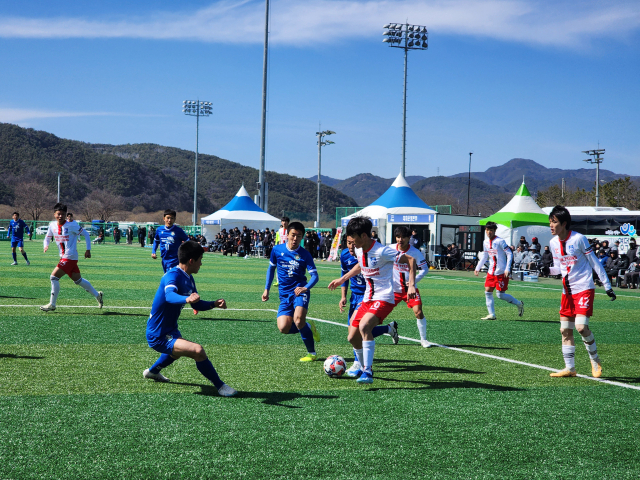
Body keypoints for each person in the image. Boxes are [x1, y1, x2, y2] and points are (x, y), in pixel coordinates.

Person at [328, 217, 417, 385]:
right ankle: (361, 366)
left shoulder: (382, 251)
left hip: (384, 297)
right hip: (367, 298)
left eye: (353, 237)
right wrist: (342, 279)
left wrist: (411, 285)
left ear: (363, 235)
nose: (351, 242)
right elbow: (361, 266)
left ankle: (368, 371)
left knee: (365, 326)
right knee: (352, 337)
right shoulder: (360, 250)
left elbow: (410, 260)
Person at [143, 241, 237, 397]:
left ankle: (152, 372)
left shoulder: (189, 278)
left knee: (176, 352)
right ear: (191, 261)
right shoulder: (172, 275)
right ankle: (221, 387)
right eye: (200, 259)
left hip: (170, 330)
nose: (201, 263)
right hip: (157, 334)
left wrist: (214, 304)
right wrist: (186, 299)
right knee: (198, 351)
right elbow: (170, 295)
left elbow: (197, 304)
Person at [548, 205, 616, 378]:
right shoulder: (553, 242)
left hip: (584, 288)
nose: (551, 225)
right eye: (550, 222)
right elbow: (558, 268)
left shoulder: (579, 239)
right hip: (567, 292)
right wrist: (547, 270)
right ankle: (570, 368)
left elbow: (594, 262)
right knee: (565, 330)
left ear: (564, 224)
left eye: (554, 222)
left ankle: (595, 361)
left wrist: (607, 285)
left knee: (580, 327)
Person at [339, 234, 399, 376]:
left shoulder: (375, 251)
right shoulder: (346, 255)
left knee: (362, 327)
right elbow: (345, 272)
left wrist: (409, 283)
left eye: (353, 242)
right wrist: (343, 295)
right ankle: (387, 329)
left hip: (370, 296)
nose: (351, 246)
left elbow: (406, 259)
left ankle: (361, 365)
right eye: (349, 243)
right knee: (353, 334)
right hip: (356, 296)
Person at [262, 221, 321, 362]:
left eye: (299, 236)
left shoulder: (305, 254)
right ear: (287, 234)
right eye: (293, 235)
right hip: (284, 295)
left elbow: (315, 276)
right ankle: (308, 327)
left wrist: (306, 288)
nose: (295, 239)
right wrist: (266, 289)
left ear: (302, 238)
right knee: (283, 328)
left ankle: (312, 353)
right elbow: (271, 270)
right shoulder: (277, 250)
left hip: (300, 291)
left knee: (298, 320)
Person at [40, 203, 103, 312]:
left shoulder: (72, 225)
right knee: (78, 280)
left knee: (53, 277)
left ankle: (52, 304)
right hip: (64, 257)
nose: (60, 216)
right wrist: (46, 245)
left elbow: (86, 234)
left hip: (70, 256)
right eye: (58, 214)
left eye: (63, 214)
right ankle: (98, 295)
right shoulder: (52, 225)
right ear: (54, 214)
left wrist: (88, 250)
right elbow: (47, 237)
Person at [474, 221, 524, 320]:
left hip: (501, 272)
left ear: (495, 231)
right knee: (487, 291)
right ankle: (492, 314)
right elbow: (484, 256)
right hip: (491, 272)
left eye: (491, 230)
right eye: (487, 230)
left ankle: (519, 304)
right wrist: (477, 267)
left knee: (500, 295)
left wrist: (507, 268)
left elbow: (509, 253)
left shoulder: (500, 241)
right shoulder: (485, 242)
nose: (489, 232)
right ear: (485, 230)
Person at [391, 226, 431, 347]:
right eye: (398, 237)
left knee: (418, 312)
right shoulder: (390, 249)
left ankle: (423, 339)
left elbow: (425, 269)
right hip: (392, 290)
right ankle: (389, 329)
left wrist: (413, 281)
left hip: (410, 289)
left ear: (409, 238)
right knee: (376, 317)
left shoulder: (415, 252)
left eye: (403, 237)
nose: (400, 239)